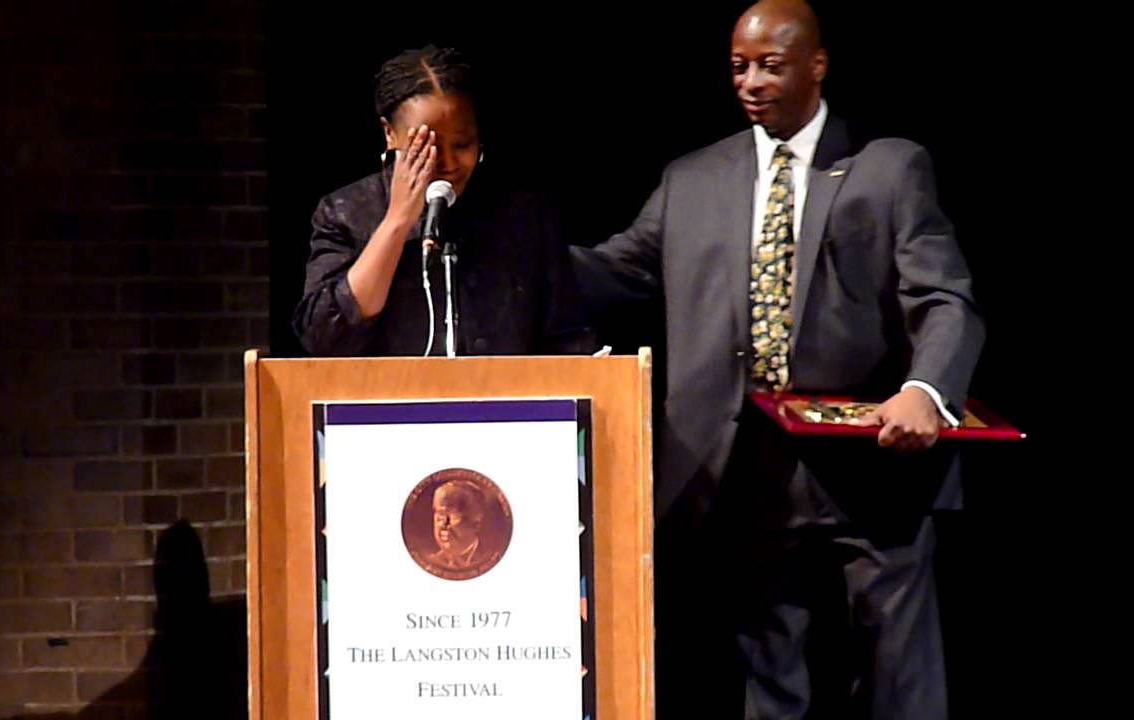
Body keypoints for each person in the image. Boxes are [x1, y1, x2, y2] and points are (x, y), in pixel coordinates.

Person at [570, 2, 984, 717]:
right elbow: (605, 274)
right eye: (739, 66)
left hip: (870, 461)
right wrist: (506, 243)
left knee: (897, 683)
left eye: (771, 64)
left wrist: (926, 389)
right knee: (764, 684)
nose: (751, 81)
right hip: (740, 467)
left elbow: (947, 300)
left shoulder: (887, 166)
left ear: (816, 66)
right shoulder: (692, 179)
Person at [293, 45, 594, 357]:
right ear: (390, 134)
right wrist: (397, 221)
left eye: (462, 144)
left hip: (503, 404)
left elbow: (567, 340)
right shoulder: (347, 212)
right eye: (428, 147)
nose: (448, 163)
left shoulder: (524, 216)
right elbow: (323, 338)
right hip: (389, 404)